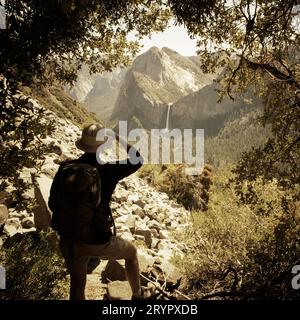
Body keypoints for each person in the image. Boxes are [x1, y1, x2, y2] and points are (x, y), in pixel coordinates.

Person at [48, 123, 143, 300]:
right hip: (95, 240)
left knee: (77, 288)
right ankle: (138, 295)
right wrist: (116, 136)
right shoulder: (107, 171)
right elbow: (137, 159)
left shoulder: (65, 168)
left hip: (68, 238)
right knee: (131, 254)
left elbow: (52, 203)